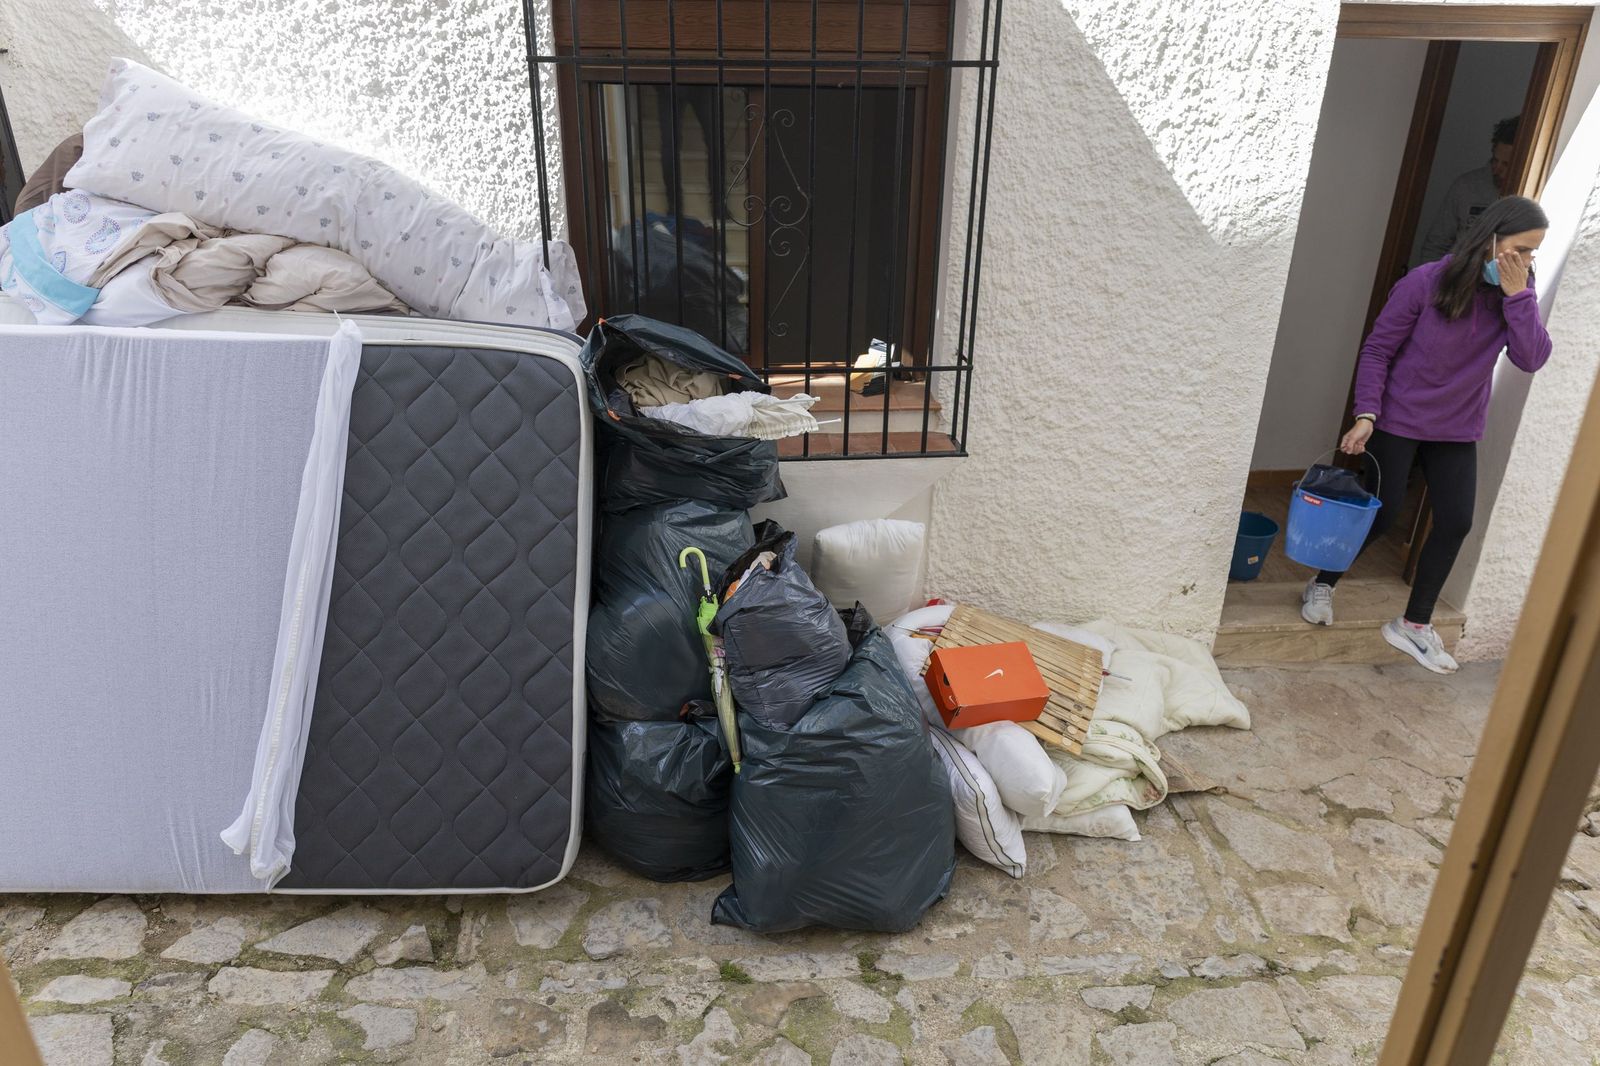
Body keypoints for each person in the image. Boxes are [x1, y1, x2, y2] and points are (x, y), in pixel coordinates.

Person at [1301, 196, 1552, 673]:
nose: (1526, 262)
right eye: (1521, 249)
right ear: (1491, 241)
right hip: (1397, 417)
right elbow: (1377, 350)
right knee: (1382, 512)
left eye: (1534, 253)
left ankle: (1414, 625)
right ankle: (1324, 582)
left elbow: (1532, 358)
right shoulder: (1425, 281)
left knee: (1456, 520)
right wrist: (1366, 414)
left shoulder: (1517, 292)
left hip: (1457, 426)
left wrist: (1521, 297)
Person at [1418, 116, 1518, 263]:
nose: (1497, 169)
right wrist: (1430, 281)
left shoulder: (1529, 199)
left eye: (1506, 164)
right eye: (1495, 160)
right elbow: (1436, 243)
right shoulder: (1466, 186)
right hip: (1457, 279)